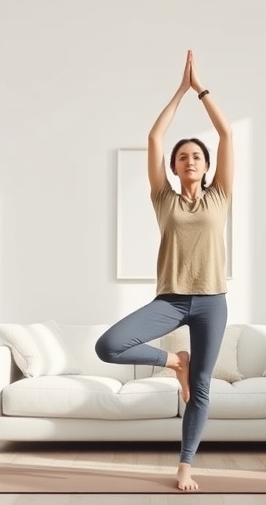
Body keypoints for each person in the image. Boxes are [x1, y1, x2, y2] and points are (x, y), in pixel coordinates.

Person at [95, 49, 233, 492]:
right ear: (173, 169)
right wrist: (179, 91)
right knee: (109, 345)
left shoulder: (220, 196)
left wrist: (203, 90)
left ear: (207, 166)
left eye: (197, 156)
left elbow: (226, 133)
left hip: (212, 302)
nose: (189, 161)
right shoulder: (164, 200)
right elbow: (155, 137)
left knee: (204, 386)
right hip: (171, 300)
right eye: (182, 158)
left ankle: (186, 466)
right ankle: (176, 362)